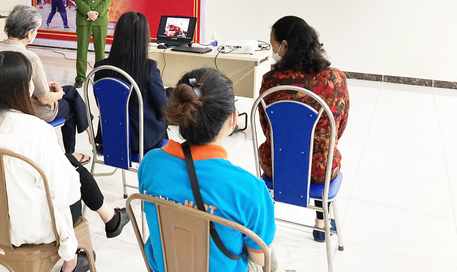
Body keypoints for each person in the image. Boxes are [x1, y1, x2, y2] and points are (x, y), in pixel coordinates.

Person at [0, 51, 130, 272]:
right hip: (34, 227)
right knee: (72, 176)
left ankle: (102, 228)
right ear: (25, 88)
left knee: (65, 165)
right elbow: (67, 192)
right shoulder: (35, 132)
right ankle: (71, 262)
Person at [138, 68, 293, 272]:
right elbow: (259, 258)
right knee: (269, 260)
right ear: (232, 120)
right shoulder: (250, 190)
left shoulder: (150, 163)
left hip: (165, 266)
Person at [258, 15, 349, 242]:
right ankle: (321, 221)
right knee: (322, 150)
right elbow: (340, 124)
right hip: (321, 169)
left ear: (285, 46)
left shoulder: (271, 82)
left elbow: (265, 126)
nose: (273, 49)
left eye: (273, 45)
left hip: (276, 166)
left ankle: (265, 224)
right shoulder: (336, 79)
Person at [0, 5, 91, 164]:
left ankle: (87, 127)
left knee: (70, 91)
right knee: (70, 103)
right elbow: (44, 99)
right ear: (30, 33)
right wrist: (59, 94)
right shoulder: (30, 58)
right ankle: (72, 152)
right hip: (29, 111)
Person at [94, 11, 167, 154]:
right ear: (144, 38)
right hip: (142, 143)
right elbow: (163, 107)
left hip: (110, 140)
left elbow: (100, 103)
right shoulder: (149, 69)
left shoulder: (101, 67)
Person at [72, 0, 112, 88]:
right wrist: (88, 12)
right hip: (83, 19)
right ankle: (80, 77)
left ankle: (99, 76)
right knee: (81, 49)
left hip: (100, 20)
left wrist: (97, 13)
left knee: (100, 50)